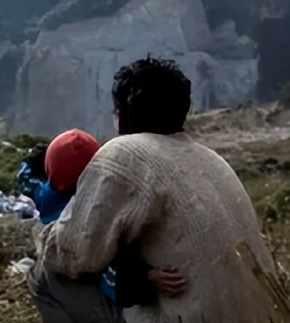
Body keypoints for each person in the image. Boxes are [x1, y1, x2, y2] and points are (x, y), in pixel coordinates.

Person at [29, 57, 279, 323]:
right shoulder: (212, 159)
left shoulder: (122, 154)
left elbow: (72, 255)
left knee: (45, 275)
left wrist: (41, 231)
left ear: (121, 118)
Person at [35, 129, 185, 309]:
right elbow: (96, 269)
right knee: (41, 277)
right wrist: (145, 278)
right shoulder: (85, 217)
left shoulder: (46, 195)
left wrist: (32, 161)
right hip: (108, 289)